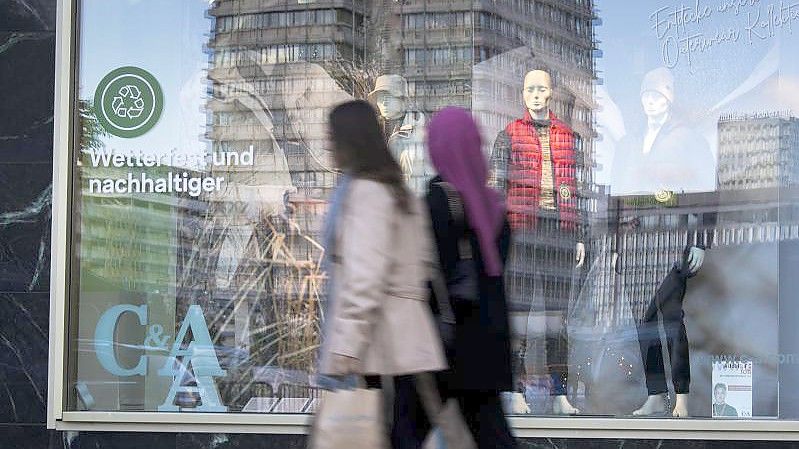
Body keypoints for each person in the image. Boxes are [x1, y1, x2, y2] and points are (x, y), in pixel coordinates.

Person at [317, 100, 447, 443]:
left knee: (369, 436)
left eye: (332, 136)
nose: (327, 144)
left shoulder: (367, 192)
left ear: (350, 140)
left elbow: (364, 278)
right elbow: (423, 263)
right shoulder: (398, 192)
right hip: (404, 345)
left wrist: (345, 347)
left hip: (378, 348)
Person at [420, 107, 516, 448]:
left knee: (403, 427)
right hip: (486, 343)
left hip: (446, 343)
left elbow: (430, 275)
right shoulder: (494, 206)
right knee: (490, 432)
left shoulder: (438, 201)